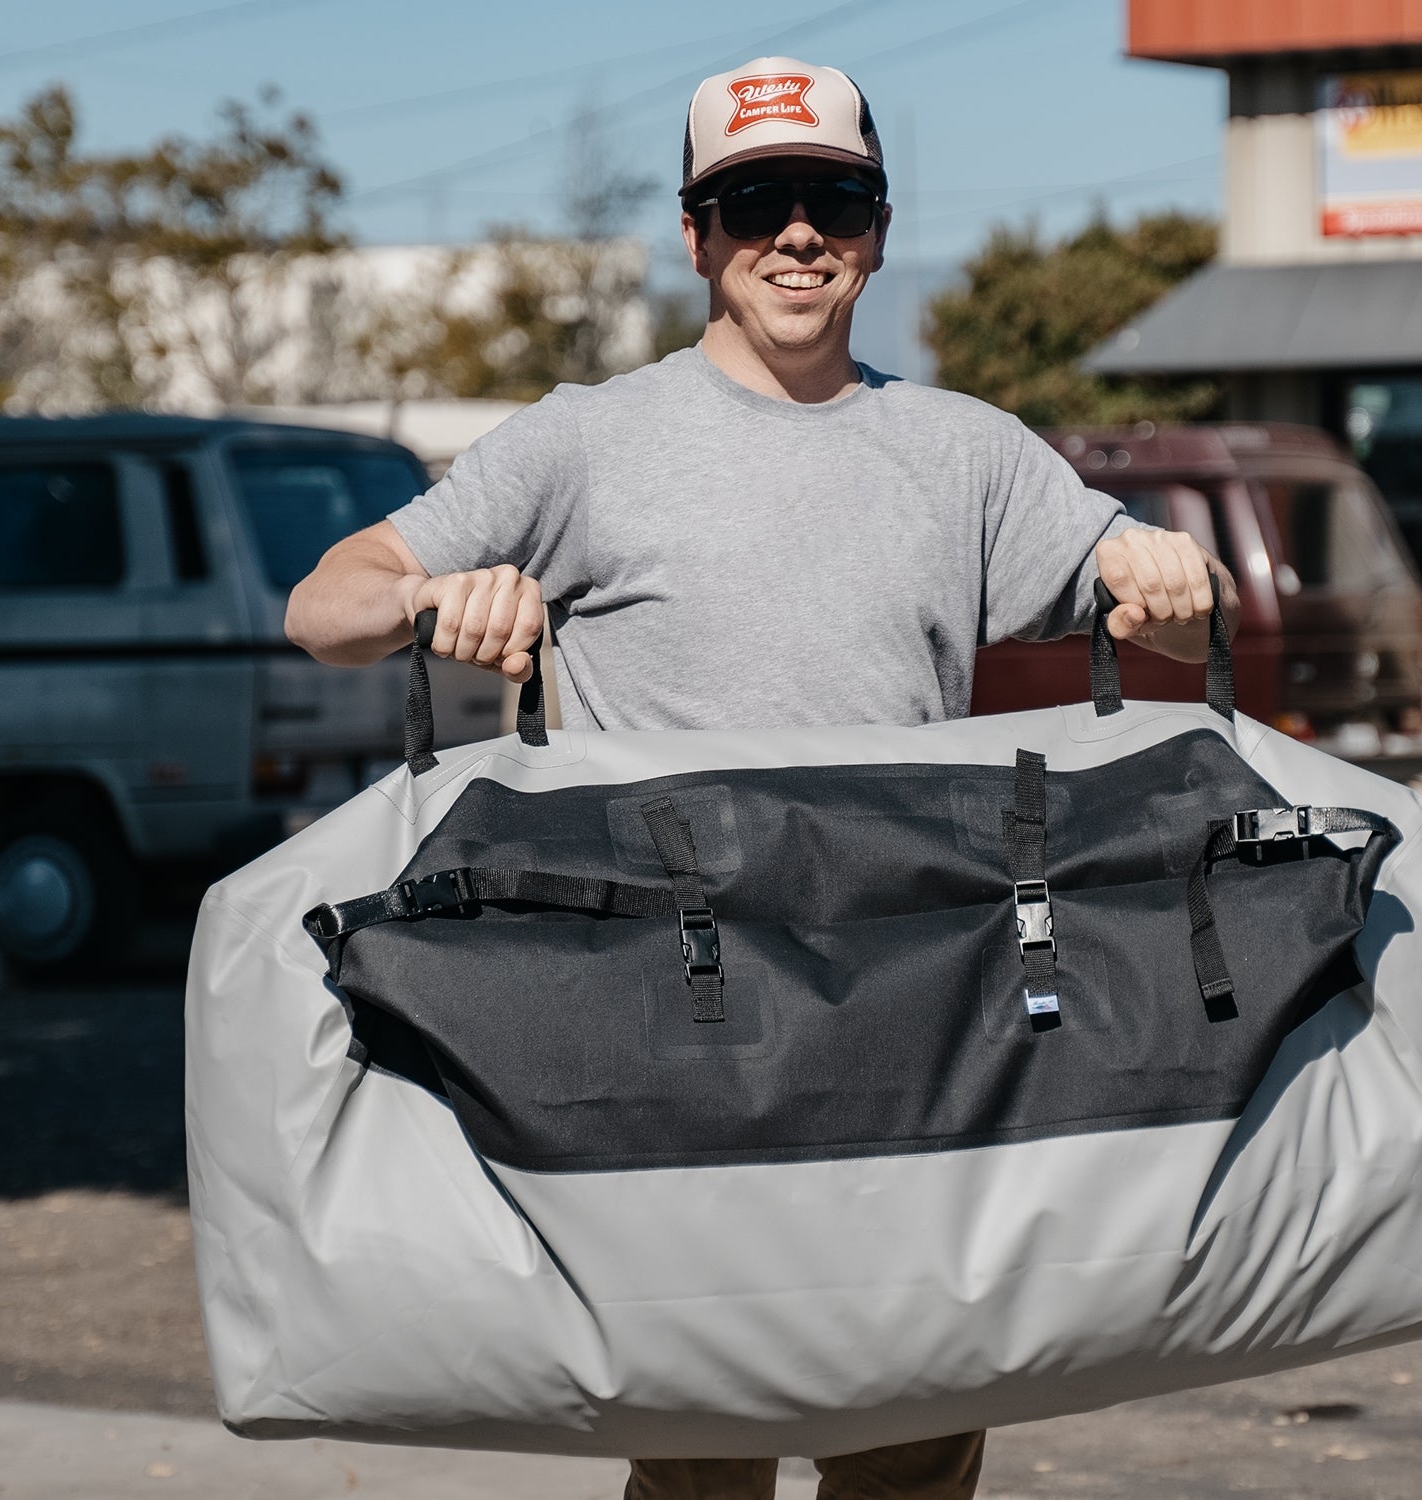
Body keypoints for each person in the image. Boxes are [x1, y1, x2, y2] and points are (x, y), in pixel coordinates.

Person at [286, 54, 1237, 1500]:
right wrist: (435, 603)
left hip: (916, 1020)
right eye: (754, 202)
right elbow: (325, 602)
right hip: (677, 1026)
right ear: (696, 236)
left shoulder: (967, 455)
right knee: (701, 1461)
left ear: (880, 223)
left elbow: (1169, 604)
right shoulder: (585, 441)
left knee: (913, 1444)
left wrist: (1171, 586)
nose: (797, 234)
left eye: (833, 200)